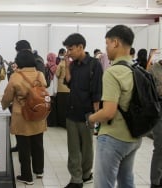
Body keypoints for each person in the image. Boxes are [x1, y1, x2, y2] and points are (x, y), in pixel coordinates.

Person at [86, 24, 143, 188]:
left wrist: (91, 118)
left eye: (107, 44)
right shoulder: (136, 69)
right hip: (134, 136)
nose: (106, 48)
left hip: (113, 137)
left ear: (115, 42)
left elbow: (108, 112)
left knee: (104, 183)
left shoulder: (113, 72)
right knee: (126, 181)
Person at [62, 33, 103, 188]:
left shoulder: (94, 65)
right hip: (72, 111)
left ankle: (86, 174)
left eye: (70, 49)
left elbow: (97, 92)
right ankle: (76, 179)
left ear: (81, 47)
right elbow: (69, 83)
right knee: (73, 148)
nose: (68, 52)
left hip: (88, 113)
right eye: (67, 49)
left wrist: (95, 115)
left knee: (87, 148)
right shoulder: (72, 65)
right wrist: (66, 65)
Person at [1, 50, 47, 185]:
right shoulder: (40, 74)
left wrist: (3, 105)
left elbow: (8, 96)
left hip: (22, 115)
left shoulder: (16, 76)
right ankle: (39, 171)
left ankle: (27, 176)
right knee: (38, 143)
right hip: (38, 113)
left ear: (19, 62)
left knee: (24, 146)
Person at [148, 59, 162, 188]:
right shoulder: (153, 69)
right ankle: (155, 181)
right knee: (160, 145)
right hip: (158, 109)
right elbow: (149, 93)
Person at [55, 49, 70, 128]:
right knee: (67, 106)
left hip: (61, 87)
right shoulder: (70, 64)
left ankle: (61, 123)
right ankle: (66, 122)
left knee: (61, 106)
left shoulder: (60, 64)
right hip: (68, 88)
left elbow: (57, 74)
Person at [45, 52, 58, 127]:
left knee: (47, 106)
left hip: (46, 88)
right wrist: (56, 91)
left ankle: (47, 121)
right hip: (52, 89)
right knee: (52, 106)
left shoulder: (45, 66)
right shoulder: (56, 67)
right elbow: (55, 79)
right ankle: (52, 122)